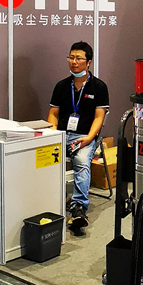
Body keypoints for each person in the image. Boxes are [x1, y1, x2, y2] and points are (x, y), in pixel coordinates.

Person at [47, 41, 109, 231]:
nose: (74, 62)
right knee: (44, 159)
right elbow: (53, 114)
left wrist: (89, 138)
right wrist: (52, 135)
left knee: (81, 161)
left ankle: (78, 208)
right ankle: (50, 200)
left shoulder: (99, 87)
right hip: (61, 135)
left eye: (79, 58)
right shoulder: (61, 86)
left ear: (88, 62)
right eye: (71, 57)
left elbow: (99, 117)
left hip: (85, 136)